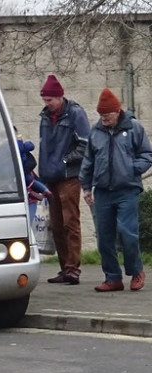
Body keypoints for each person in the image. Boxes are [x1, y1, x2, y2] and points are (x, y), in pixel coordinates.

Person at [79, 88, 152, 292]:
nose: (104, 119)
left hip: (127, 190)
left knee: (128, 234)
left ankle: (136, 272)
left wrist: (132, 169)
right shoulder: (96, 132)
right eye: (101, 115)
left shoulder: (134, 128)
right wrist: (86, 187)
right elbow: (88, 160)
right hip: (102, 191)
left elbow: (147, 154)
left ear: (117, 111)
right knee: (104, 237)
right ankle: (113, 277)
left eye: (107, 115)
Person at [37, 74, 90, 285]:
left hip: (69, 177)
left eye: (50, 100)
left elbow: (85, 144)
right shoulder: (44, 117)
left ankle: (73, 268)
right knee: (56, 225)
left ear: (60, 97)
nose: (47, 103)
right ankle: (64, 268)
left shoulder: (75, 114)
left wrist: (66, 161)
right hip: (50, 177)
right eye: (45, 100)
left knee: (71, 222)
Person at [15, 126, 51, 223]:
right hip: (24, 193)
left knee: (30, 180)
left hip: (28, 191)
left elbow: (30, 146)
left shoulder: (18, 145)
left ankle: (45, 190)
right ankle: (45, 190)